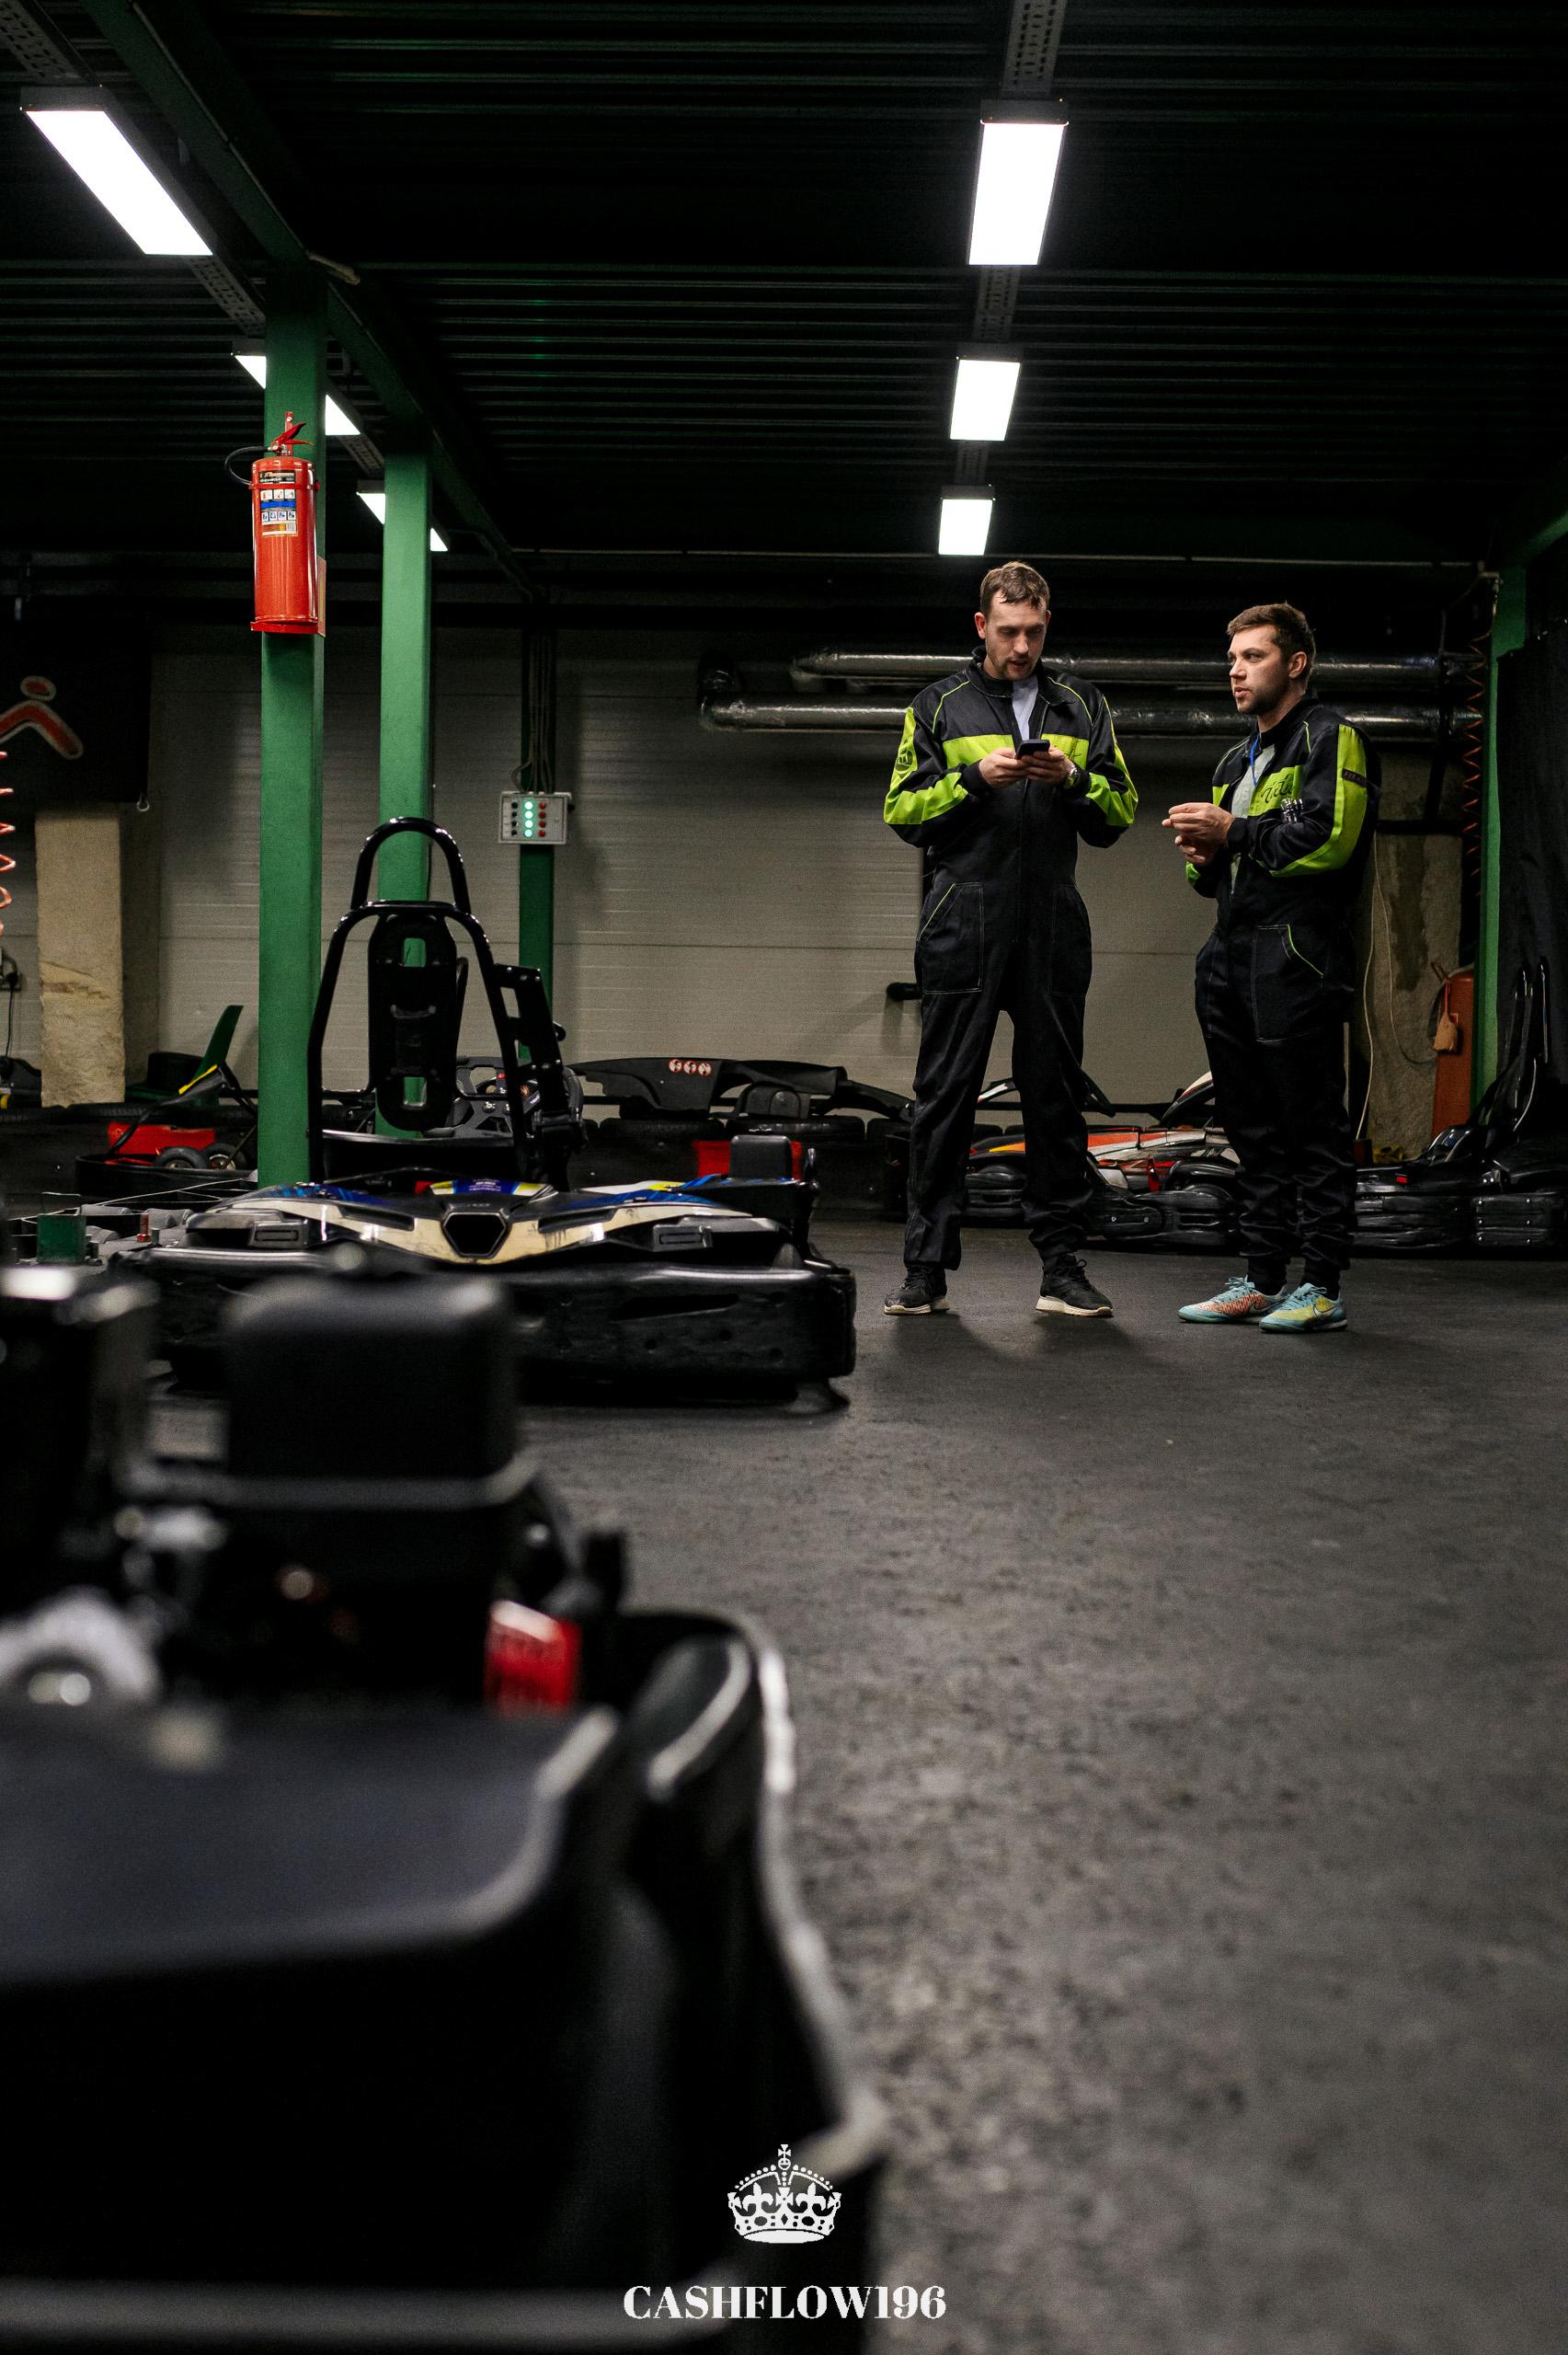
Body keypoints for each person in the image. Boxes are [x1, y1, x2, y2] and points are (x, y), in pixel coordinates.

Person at [882, 560, 1137, 1319]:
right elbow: (901, 811)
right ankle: (925, 1271)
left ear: (1045, 626)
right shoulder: (937, 706)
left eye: (1032, 632)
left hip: (1052, 924)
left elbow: (1120, 811)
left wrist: (1072, 780)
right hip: (963, 923)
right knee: (944, 1097)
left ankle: (1061, 1268)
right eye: (1006, 631)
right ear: (980, 627)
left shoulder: (1082, 706)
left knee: (1054, 1099)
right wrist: (972, 781)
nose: (1020, 647)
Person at [1163, 602, 1379, 1334]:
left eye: (1252, 656)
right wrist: (1204, 855)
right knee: (1248, 1128)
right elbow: (1213, 876)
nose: (1235, 670)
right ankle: (1259, 1279)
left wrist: (1233, 831)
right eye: (1232, 658)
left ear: (1295, 663)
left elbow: (1330, 840)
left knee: (1310, 1125)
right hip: (1229, 955)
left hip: (1297, 956)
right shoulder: (1234, 761)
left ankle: (1319, 1284)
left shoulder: (1331, 737)